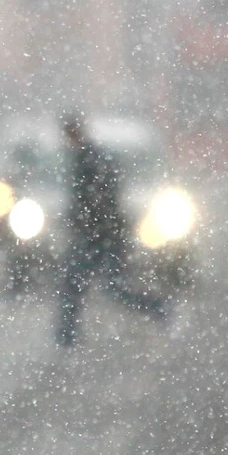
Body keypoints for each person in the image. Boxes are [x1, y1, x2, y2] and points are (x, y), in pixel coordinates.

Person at [56, 112, 166, 346]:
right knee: (86, 286)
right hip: (99, 236)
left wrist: (92, 225)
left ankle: (160, 308)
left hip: (100, 237)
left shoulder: (91, 160)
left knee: (98, 287)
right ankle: (66, 337)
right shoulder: (87, 158)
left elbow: (100, 201)